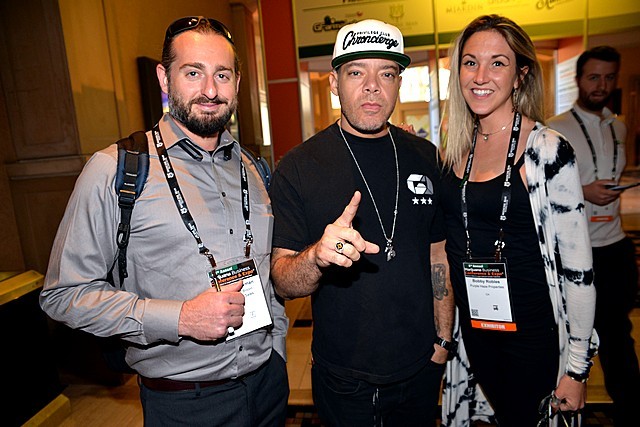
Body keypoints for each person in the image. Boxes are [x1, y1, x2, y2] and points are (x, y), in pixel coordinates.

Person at [40, 16, 289, 426]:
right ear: (164, 77)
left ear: (237, 83)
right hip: (184, 404)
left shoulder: (254, 169)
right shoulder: (115, 169)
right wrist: (181, 318)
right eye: (193, 73)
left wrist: (277, 351)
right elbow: (64, 295)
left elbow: (266, 277)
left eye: (222, 75)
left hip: (268, 388)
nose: (210, 90)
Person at [268, 19, 455, 427]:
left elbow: (438, 253)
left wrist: (443, 339)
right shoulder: (298, 167)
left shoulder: (425, 156)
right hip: (343, 378)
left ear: (399, 83)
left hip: (420, 367)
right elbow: (282, 281)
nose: (372, 87)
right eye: (356, 73)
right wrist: (317, 257)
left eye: (386, 73)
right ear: (334, 83)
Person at [438, 15, 599, 426]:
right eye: (470, 62)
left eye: (498, 63)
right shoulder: (456, 148)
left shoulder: (546, 149)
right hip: (476, 330)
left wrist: (577, 369)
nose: (480, 76)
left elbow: (579, 272)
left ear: (520, 75)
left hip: (531, 334)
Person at [548, 46, 640, 426]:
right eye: (593, 77)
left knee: (619, 339)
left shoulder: (618, 127)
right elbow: (541, 191)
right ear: (578, 80)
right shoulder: (554, 129)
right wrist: (584, 191)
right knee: (571, 341)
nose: (601, 85)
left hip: (614, 247)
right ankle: (566, 412)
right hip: (575, 252)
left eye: (608, 77)